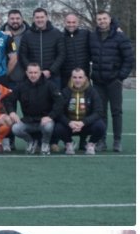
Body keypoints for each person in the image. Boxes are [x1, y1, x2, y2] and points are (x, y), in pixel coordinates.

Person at [89, 10, 135, 152]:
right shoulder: (92, 37)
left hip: (114, 81)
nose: (102, 21)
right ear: (96, 21)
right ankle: (101, 141)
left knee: (116, 111)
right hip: (98, 81)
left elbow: (129, 59)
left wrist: (120, 76)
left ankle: (117, 141)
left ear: (110, 19)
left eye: (104, 18)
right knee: (100, 112)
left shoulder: (120, 37)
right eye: (99, 19)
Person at [8, 62, 64, 156]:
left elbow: (60, 102)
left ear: (40, 72)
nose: (33, 75)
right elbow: (9, 100)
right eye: (30, 72)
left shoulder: (50, 85)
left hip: (44, 121)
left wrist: (50, 116)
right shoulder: (21, 86)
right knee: (15, 128)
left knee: (48, 126)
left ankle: (45, 144)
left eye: (35, 72)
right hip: (28, 121)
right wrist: (12, 112)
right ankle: (31, 142)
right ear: (26, 73)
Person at [52, 68, 106, 155]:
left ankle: (91, 144)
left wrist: (83, 122)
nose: (77, 80)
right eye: (75, 77)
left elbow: (98, 111)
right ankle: (69, 143)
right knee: (57, 127)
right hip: (70, 125)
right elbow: (58, 112)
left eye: (80, 77)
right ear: (71, 78)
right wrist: (69, 122)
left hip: (86, 125)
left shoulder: (92, 91)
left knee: (101, 126)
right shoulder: (65, 92)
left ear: (85, 78)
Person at [18, 7, 66, 88]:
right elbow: (22, 55)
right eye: (37, 17)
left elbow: (62, 54)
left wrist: (51, 71)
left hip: (53, 77)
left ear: (46, 17)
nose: (39, 20)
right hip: (32, 78)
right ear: (33, 19)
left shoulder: (56, 33)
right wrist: (33, 72)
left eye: (42, 17)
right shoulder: (27, 35)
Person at [60, 12, 91, 85]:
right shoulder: (60, 37)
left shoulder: (86, 34)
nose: (71, 25)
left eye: (74, 22)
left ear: (78, 23)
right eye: (69, 22)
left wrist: (116, 26)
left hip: (83, 75)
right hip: (66, 77)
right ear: (64, 22)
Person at [3, 9, 29, 85]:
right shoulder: (0, 35)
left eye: (17, 18)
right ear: (8, 20)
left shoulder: (29, 34)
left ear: (22, 19)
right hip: (6, 79)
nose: (15, 21)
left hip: (26, 79)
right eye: (12, 19)